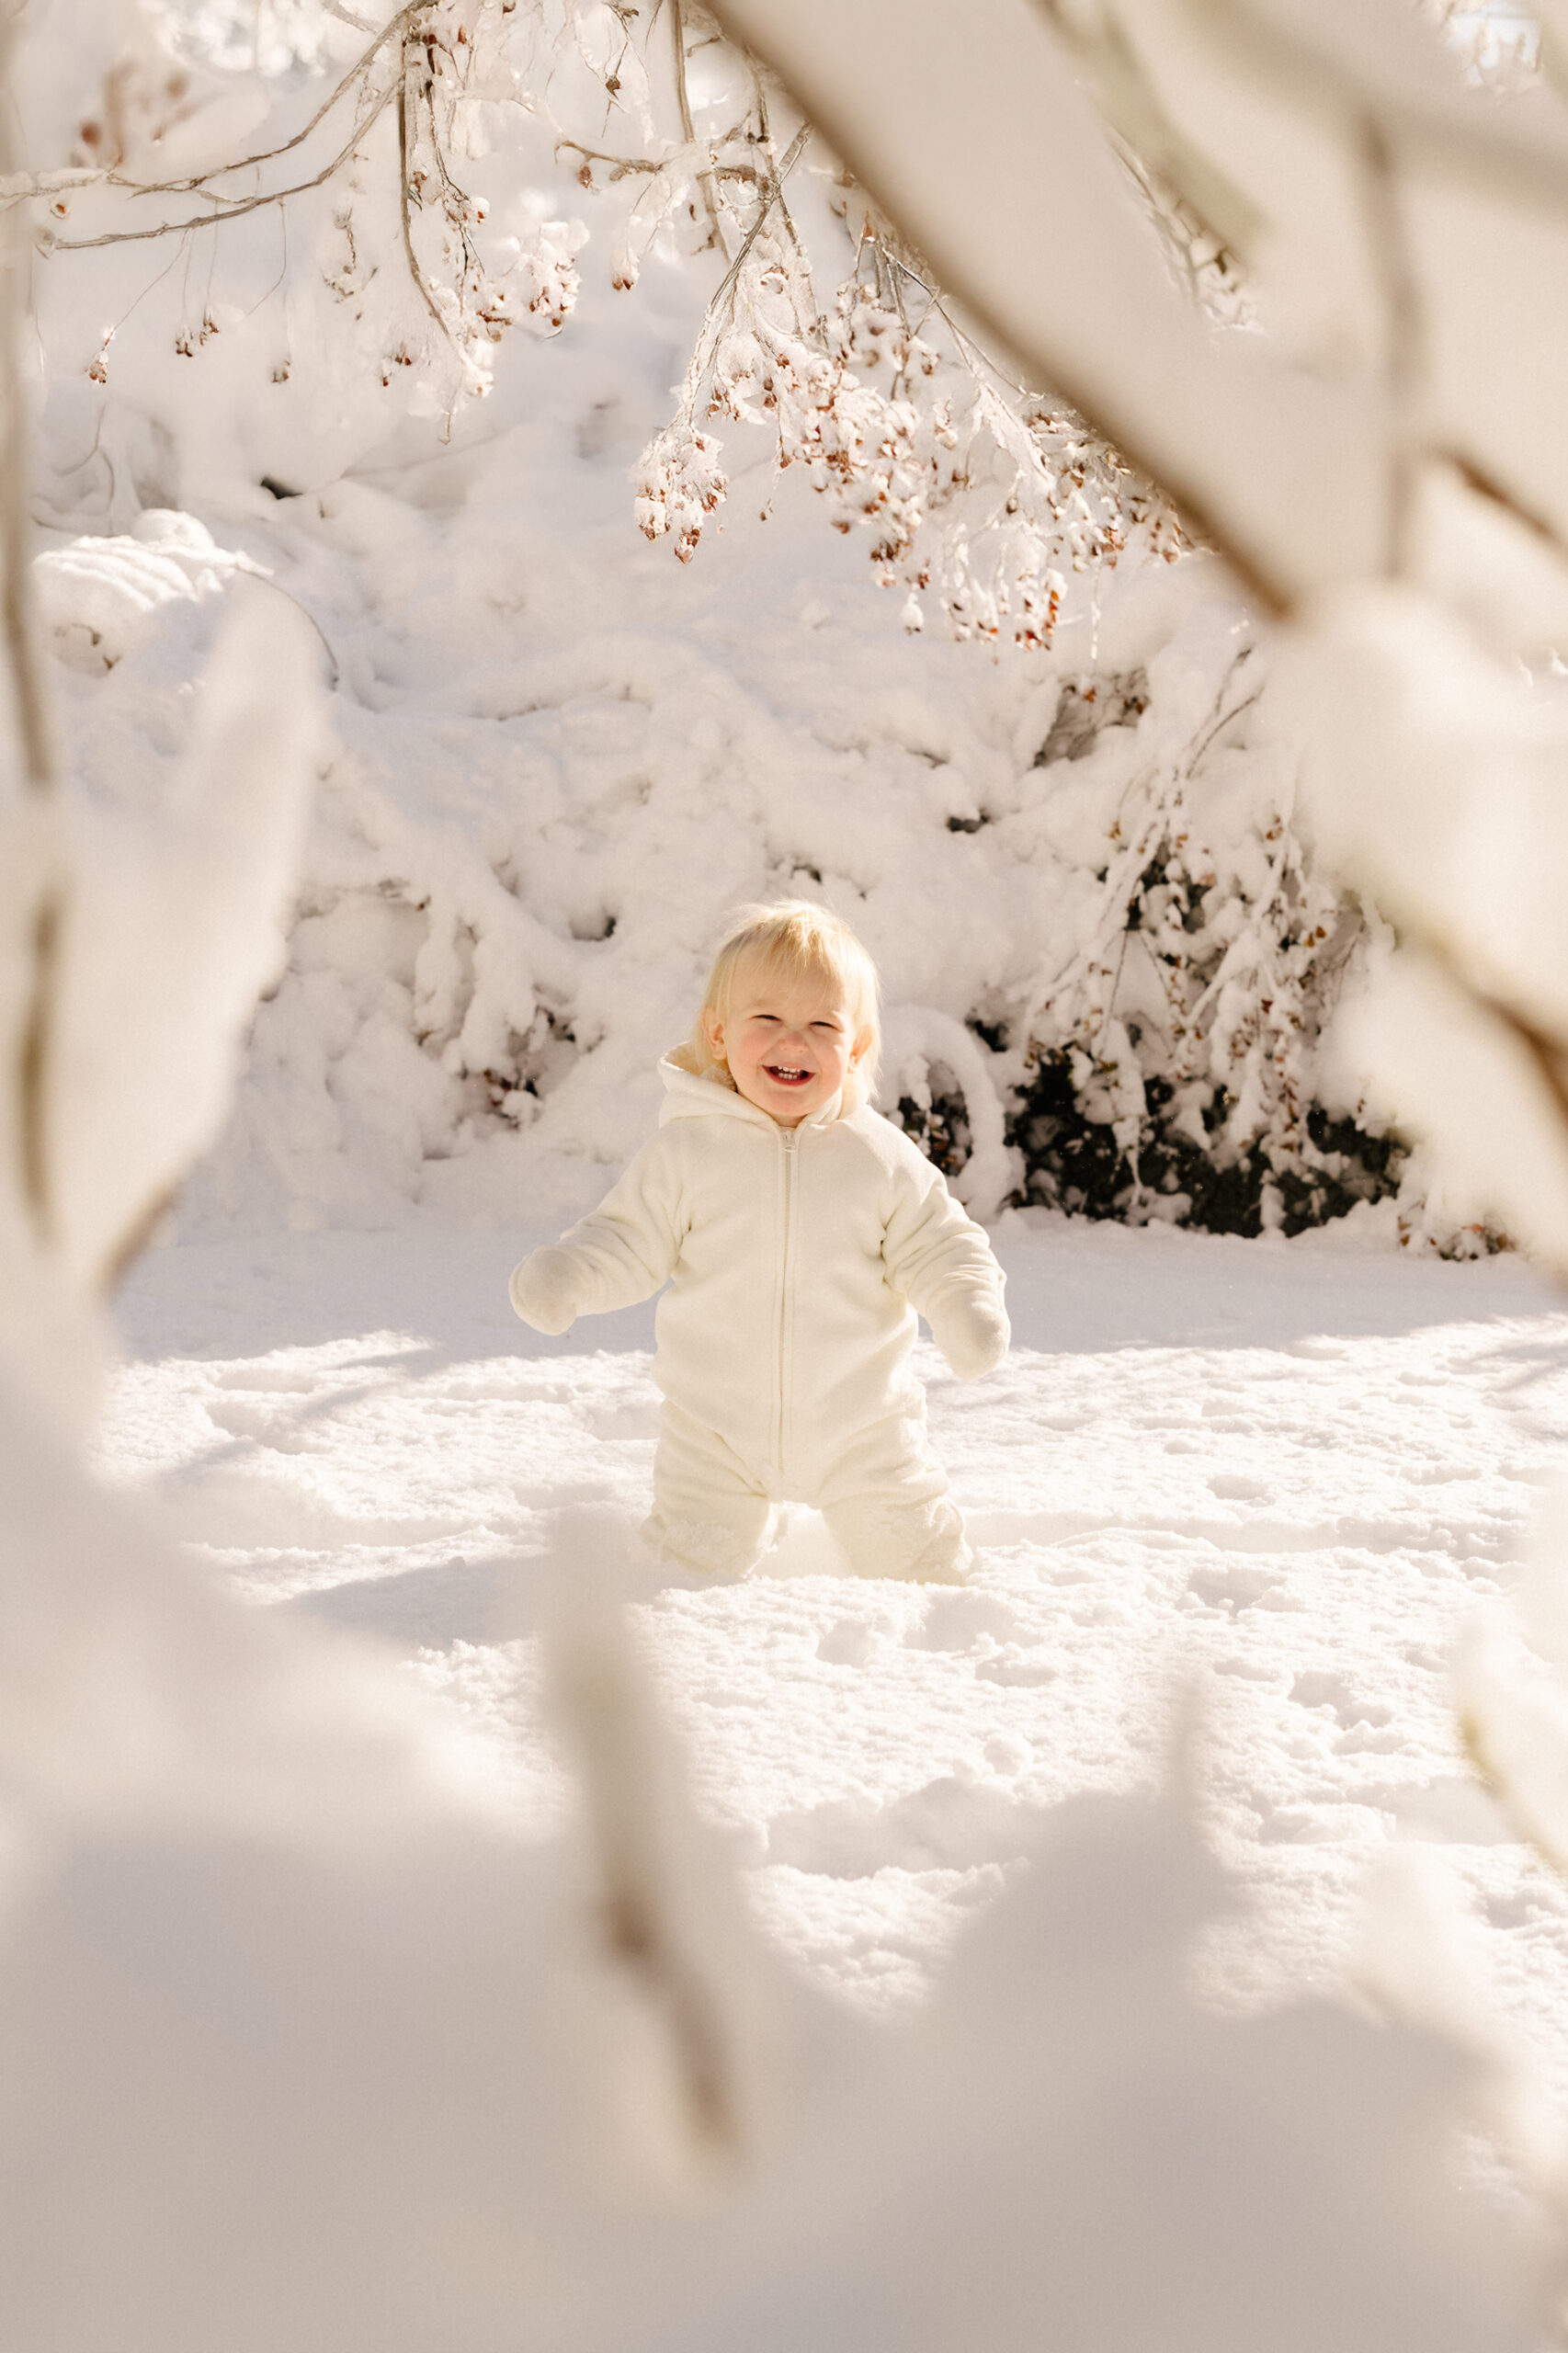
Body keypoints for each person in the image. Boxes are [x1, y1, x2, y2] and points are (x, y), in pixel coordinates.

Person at [509, 902, 1009, 1581]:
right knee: (684, 1572)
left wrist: (966, 1308)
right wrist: (569, 1274)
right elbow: (628, 1238)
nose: (792, 1043)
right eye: (767, 1019)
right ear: (719, 1035)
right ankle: (707, 1566)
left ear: (856, 1046)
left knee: (920, 1567)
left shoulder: (879, 1158)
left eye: (821, 1026)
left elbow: (940, 1244)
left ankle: (939, 1604)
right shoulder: (688, 1151)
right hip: (715, 1433)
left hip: (861, 1429)